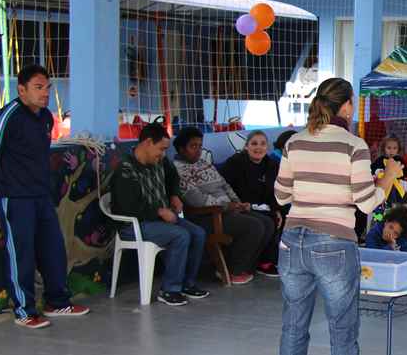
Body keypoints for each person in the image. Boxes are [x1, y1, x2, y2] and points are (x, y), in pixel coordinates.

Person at [275, 77, 403, 355]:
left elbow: (281, 196)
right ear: (345, 106)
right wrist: (388, 177)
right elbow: (365, 204)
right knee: (342, 329)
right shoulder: (353, 145)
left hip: (292, 242)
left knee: (293, 326)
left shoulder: (295, 142)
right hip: (333, 243)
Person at [0, 64, 89, 328]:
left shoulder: (47, 118)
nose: (45, 93)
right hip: (14, 196)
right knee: (21, 253)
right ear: (22, 90)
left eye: (48, 87)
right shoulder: (8, 116)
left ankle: (57, 302)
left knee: (53, 249)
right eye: (38, 87)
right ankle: (23, 311)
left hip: (41, 194)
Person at [111, 122, 209, 307]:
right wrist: (159, 211)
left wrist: (174, 195)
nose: (163, 154)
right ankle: (170, 290)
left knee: (198, 233)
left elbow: (173, 178)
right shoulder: (125, 168)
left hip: (160, 220)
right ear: (148, 143)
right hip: (134, 225)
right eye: (161, 149)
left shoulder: (160, 161)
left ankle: (187, 284)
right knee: (180, 235)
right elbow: (128, 206)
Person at [173, 127, 274, 285]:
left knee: (267, 222)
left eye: (200, 146)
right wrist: (228, 205)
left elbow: (224, 185)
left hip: (228, 209)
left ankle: (248, 266)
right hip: (208, 216)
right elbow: (196, 199)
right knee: (254, 226)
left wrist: (237, 202)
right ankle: (233, 270)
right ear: (181, 149)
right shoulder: (178, 170)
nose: (198, 150)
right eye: (193, 146)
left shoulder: (203, 163)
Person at [219, 130, 283, 276]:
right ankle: (247, 264)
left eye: (262, 144)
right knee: (265, 221)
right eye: (254, 144)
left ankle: (265, 261)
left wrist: (276, 209)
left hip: (263, 205)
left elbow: (276, 191)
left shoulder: (272, 165)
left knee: (280, 215)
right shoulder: (235, 163)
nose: (258, 148)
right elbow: (225, 190)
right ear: (246, 146)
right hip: (240, 206)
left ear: (267, 147)